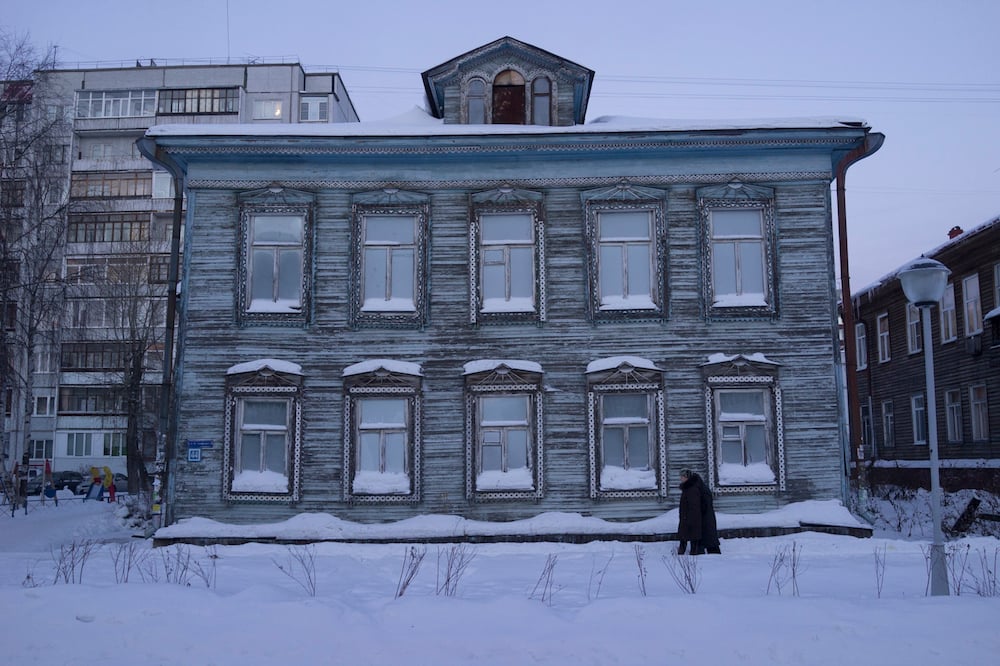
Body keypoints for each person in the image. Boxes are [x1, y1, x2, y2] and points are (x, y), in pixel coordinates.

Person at [677, 469, 704, 555]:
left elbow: (694, 506)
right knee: (685, 536)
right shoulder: (687, 488)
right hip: (686, 518)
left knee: (693, 537)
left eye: (682, 476)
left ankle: (693, 555)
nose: (681, 478)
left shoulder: (692, 489)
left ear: (687, 478)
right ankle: (683, 554)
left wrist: (690, 519)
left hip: (691, 519)